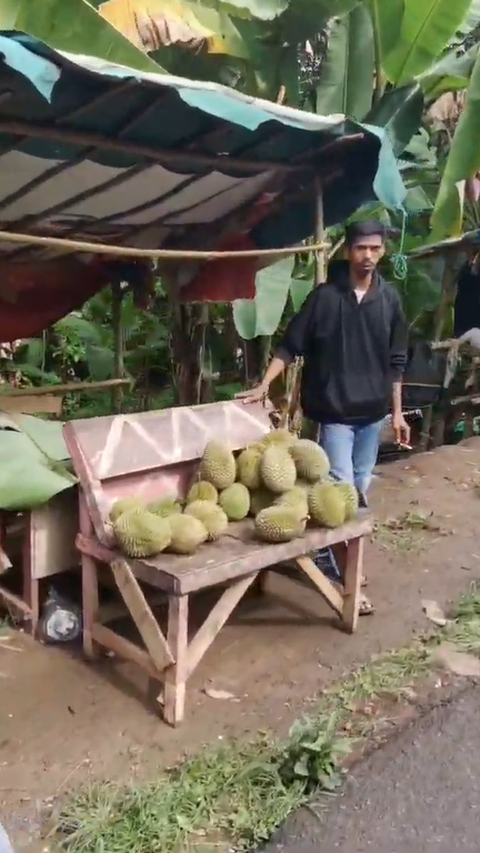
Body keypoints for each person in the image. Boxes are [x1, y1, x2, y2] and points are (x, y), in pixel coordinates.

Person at [242, 220, 410, 614]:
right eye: (360, 249)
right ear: (347, 251)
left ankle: (338, 560)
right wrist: (264, 384)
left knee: (358, 488)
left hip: (372, 413)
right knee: (342, 493)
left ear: (382, 251)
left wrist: (398, 414)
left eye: (374, 248)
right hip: (334, 414)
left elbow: (397, 361)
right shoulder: (324, 298)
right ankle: (342, 577)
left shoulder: (390, 300)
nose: (367, 255)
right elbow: (291, 345)